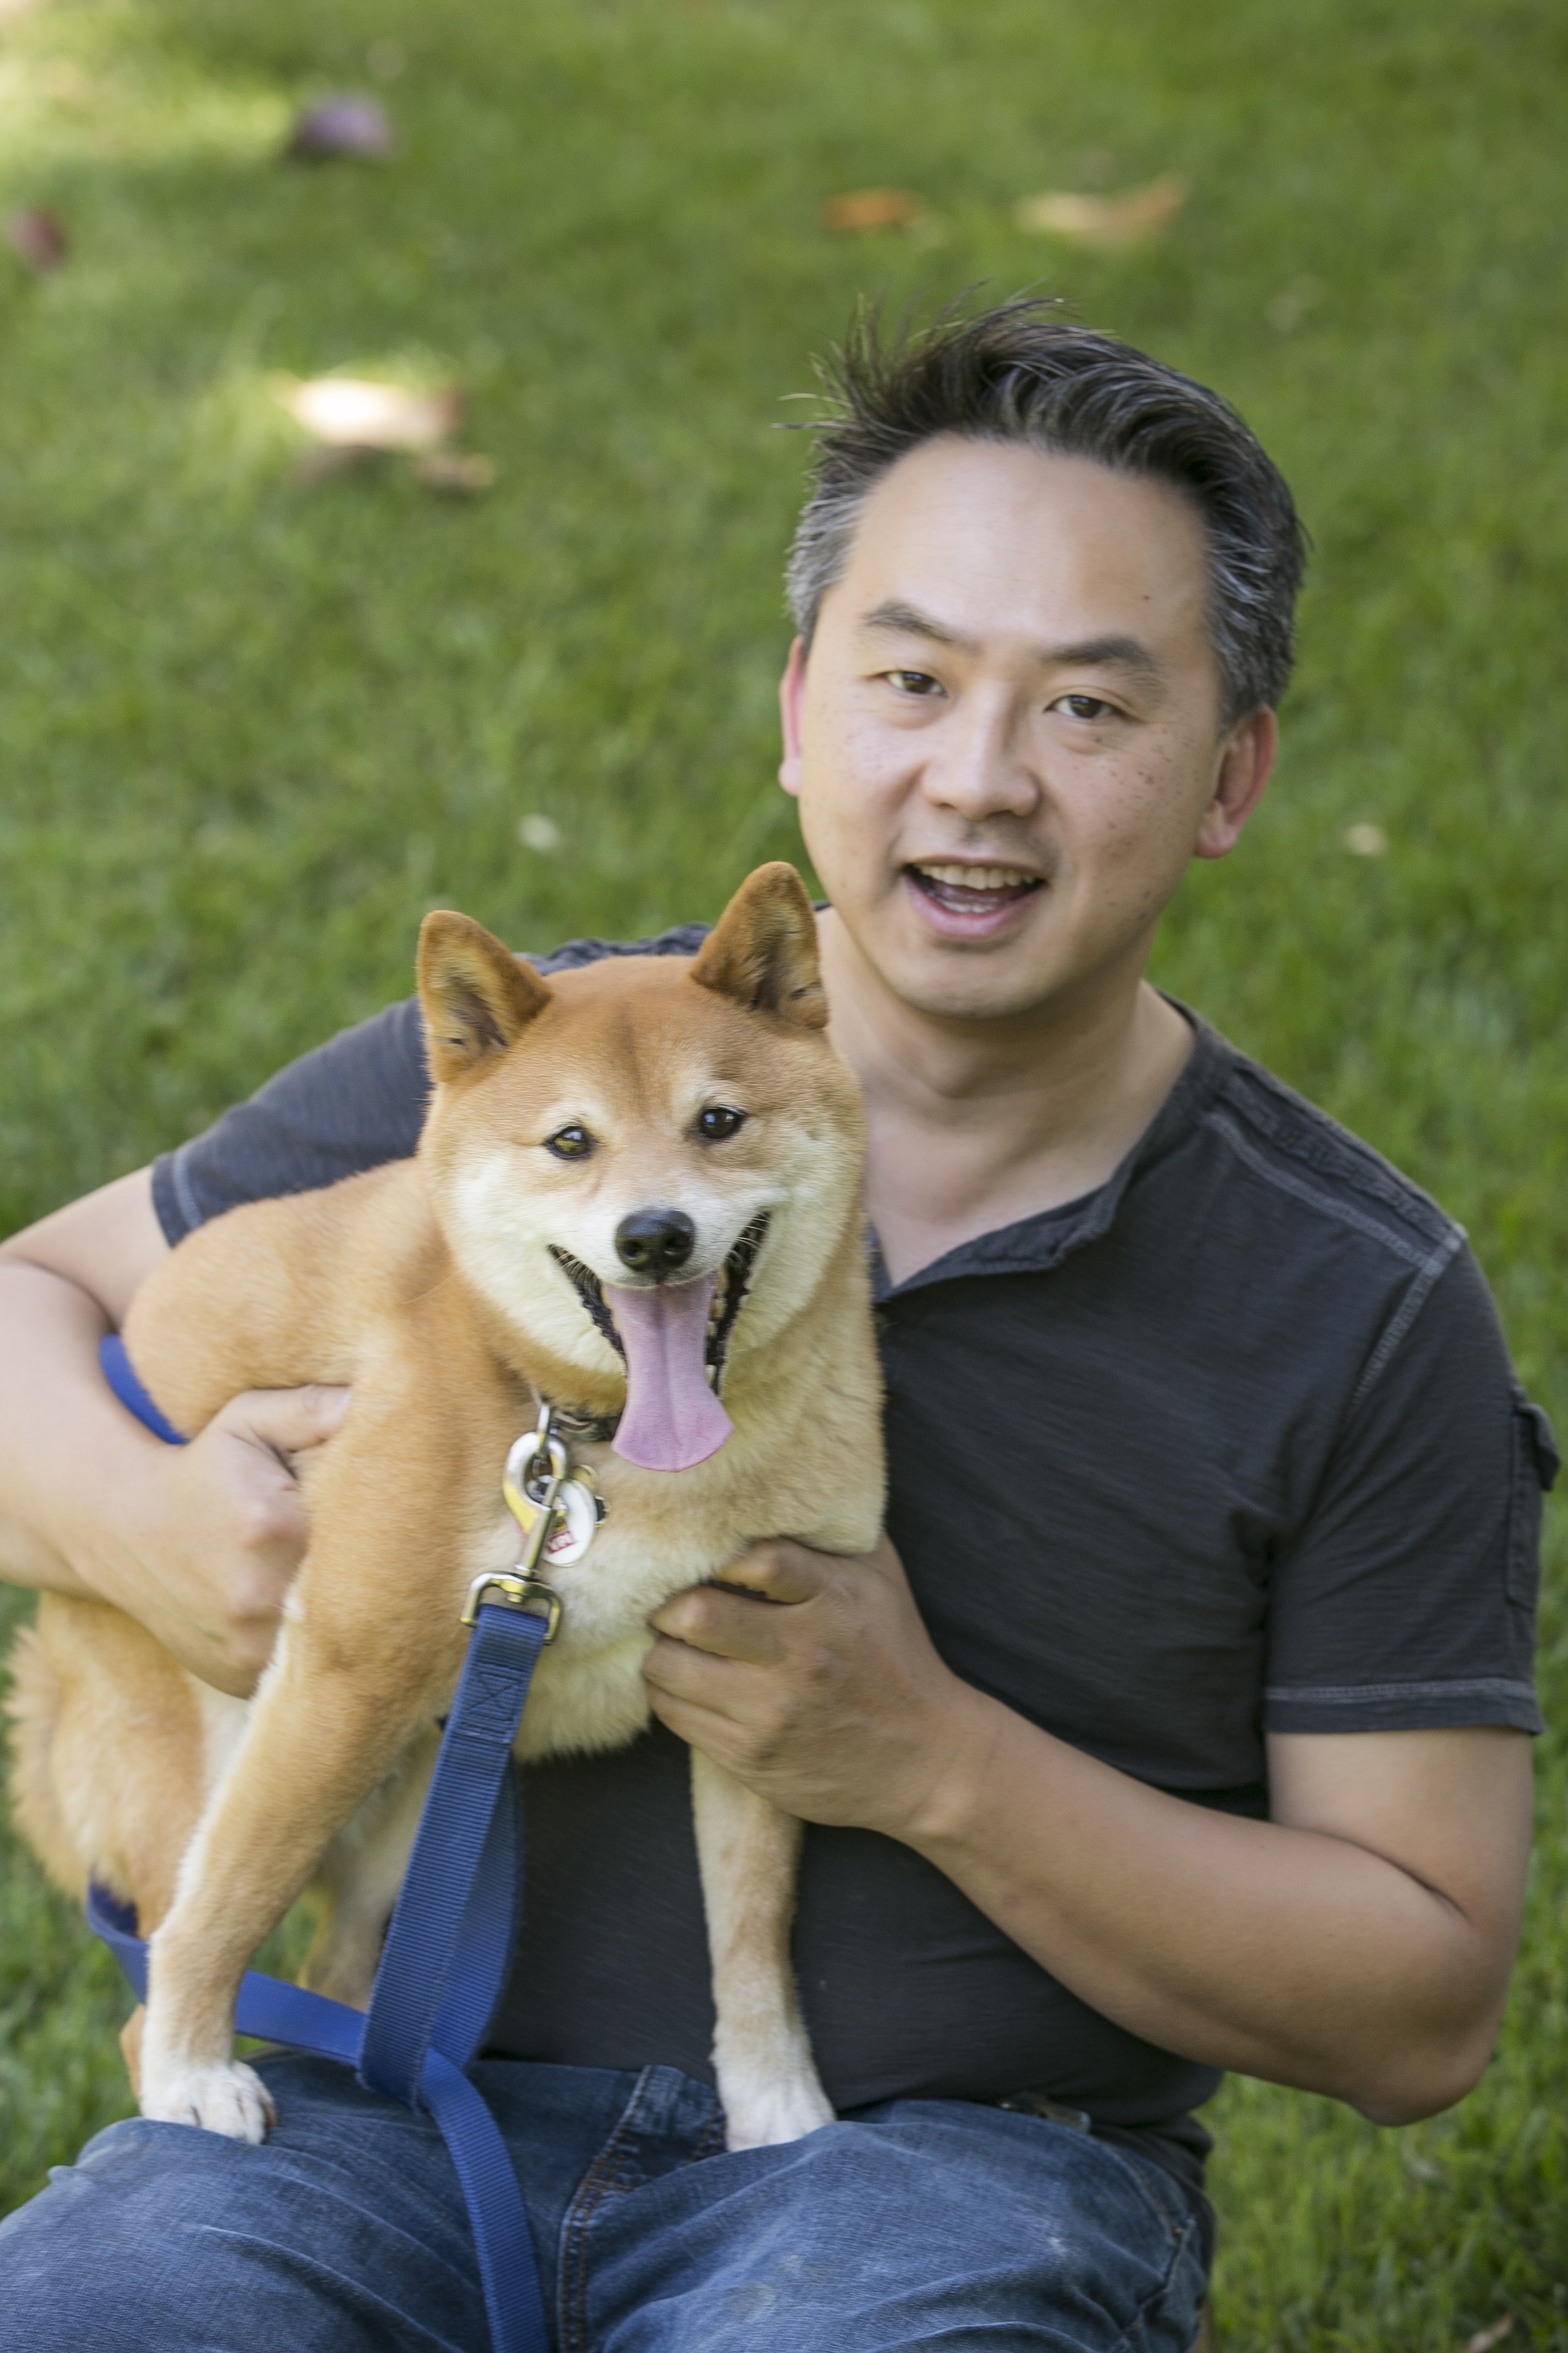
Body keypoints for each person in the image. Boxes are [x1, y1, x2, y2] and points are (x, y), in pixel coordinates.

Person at [0, 300, 1549, 2353]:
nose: (978, 779)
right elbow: (24, 1300)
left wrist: (935, 1763)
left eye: (1090, 707)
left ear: (1230, 775)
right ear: (802, 708)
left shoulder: (1354, 1304)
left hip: (932, 2175)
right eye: (912, 679)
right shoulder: (534, 1080)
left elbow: (1421, 2009)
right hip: (354, 2110)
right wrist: (165, 1530)